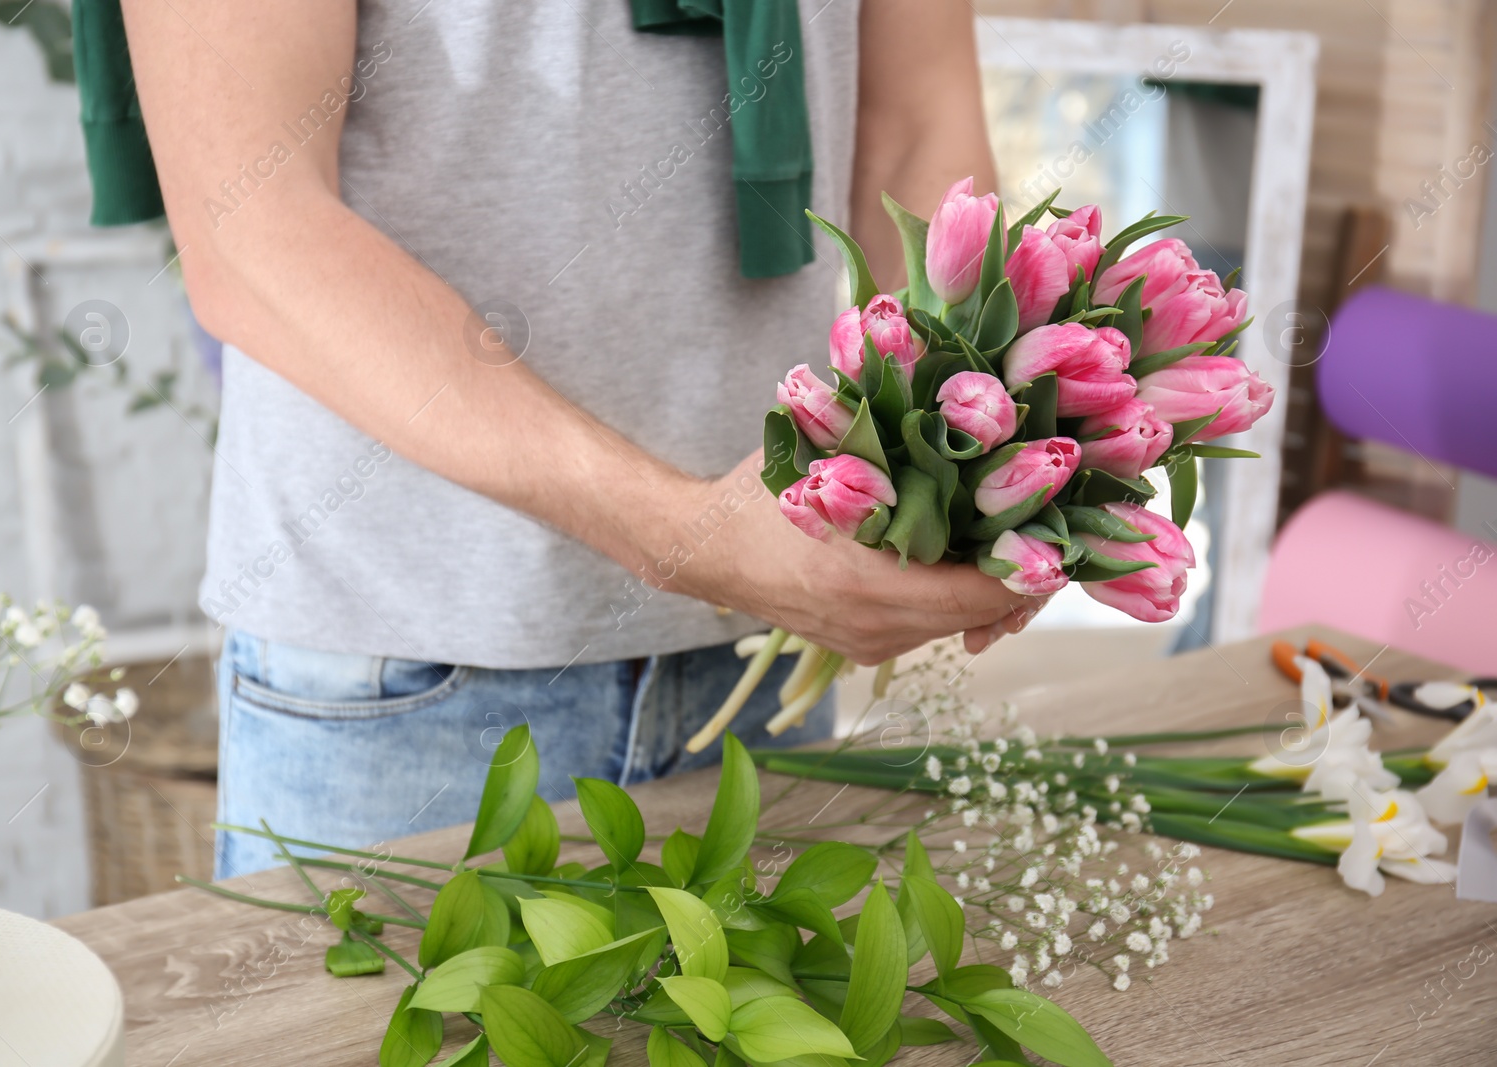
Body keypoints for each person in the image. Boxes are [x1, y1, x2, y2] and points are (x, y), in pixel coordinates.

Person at [117, 0, 1038, 878]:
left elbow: (915, 122)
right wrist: (686, 534)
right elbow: (249, 230)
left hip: (763, 653)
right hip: (402, 684)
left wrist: (964, 472)